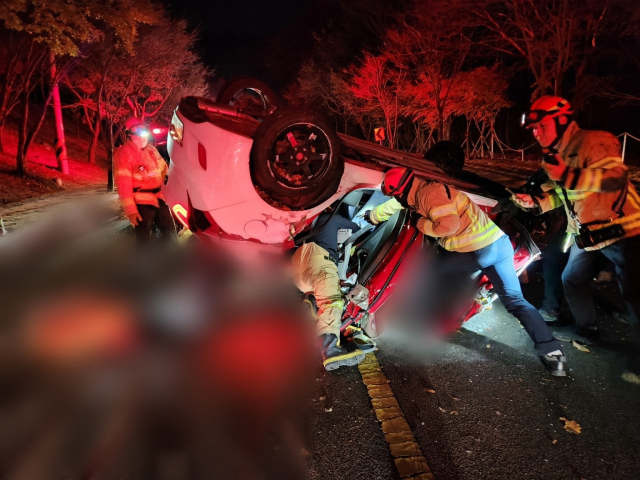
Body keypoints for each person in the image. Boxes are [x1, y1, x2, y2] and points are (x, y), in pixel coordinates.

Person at [363, 167, 567, 376]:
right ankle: (553, 355)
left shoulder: (427, 196)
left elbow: (448, 226)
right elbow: (395, 205)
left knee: (425, 272)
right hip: (499, 245)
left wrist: (421, 223)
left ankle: (422, 324)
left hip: (476, 251)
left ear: (399, 191)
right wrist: (372, 216)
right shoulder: (424, 189)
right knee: (516, 301)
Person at [513, 96, 640, 351]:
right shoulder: (552, 157)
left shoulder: (595, 141)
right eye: (533, 128)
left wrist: (567, 175)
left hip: (626, 231)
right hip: (588, 235)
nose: (536, 133)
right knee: (571, 279)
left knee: (635, 292)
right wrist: (535, 202)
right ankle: (587, 330)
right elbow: (563, 195)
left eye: (541, 126)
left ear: (561, 121)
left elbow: (615, 178)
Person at [291, 211, 366, 371]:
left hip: (299, 272)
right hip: (319, 265)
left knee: (323, 296)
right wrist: (362, 223)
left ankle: (313, 306)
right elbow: (353, 227)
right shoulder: (326, 218)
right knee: (332, 303)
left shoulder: (302, 221)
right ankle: (330, 349)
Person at [114, 117, 176, 243]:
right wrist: (131, 211)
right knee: (143, 238)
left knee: (170, 232)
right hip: (141, 203)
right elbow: (123, 186)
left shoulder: (151, 150)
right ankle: (143, 261)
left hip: (159, 198)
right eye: (137, 130)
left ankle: (171, 258)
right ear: (129, 134)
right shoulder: (124, 154)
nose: (142, 135)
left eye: (143, 130)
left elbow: (164, 169)